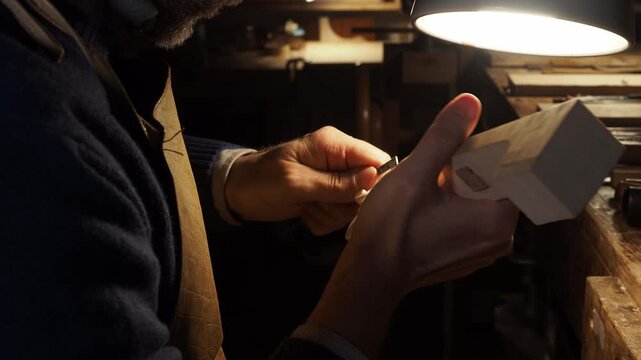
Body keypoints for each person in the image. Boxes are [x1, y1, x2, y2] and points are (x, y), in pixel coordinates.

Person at [0, 0, 518, 359]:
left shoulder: (71, 23)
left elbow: (103, 157)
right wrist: (381, 268)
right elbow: (58, 179)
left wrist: (233, 178)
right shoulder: (32, 127)